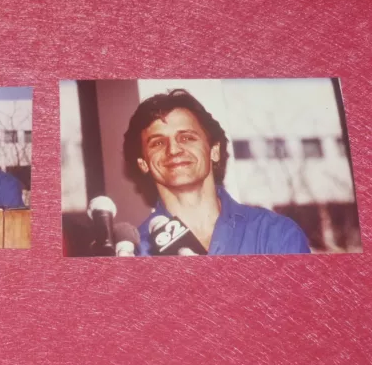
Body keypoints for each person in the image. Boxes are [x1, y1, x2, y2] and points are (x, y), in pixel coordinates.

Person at [123, 89, 311, 256]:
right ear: (143, 163)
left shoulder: (276, 234)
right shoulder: (135, 251)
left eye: (187, 138)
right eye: (158, 142)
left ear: (214, 151)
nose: (173, 150)